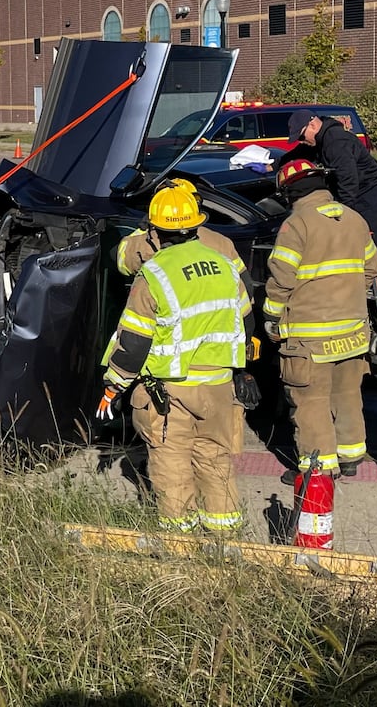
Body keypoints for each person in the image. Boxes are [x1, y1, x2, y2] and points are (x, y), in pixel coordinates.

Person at [96, 184, 257, 532]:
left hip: (170, 391)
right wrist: (243, 371)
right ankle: (224, 533)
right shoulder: (224, 264)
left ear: (155, 229)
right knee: (214, 457)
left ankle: (180, 539)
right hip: (218, 386)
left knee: (171, 461)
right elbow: (246, 321)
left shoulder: (154, 273)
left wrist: (114, 385)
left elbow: (135, 343)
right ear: (196, 223)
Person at [263, 158, 377, 483]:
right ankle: (350, 456)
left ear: (289, 193)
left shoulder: (296, 225)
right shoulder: (355, 219)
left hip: (310, 338)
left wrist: (271, 319)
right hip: (353, 332)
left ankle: (318, 466)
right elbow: (372, 269)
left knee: (310, 400)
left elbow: (281, 281)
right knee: (347, 394)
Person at [287, 108, 377, 295]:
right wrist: (273, 164)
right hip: (357, 192)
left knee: (372, 245)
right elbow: (299, 152)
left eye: (302, 135)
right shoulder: (319, 139)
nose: (302, 140)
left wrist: (345, 216)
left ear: (313, 124)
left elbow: (348, 182)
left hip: (370, 195)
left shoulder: (335, 142)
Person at [116, 178, 245, 286]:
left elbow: (123, 264)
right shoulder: (221, 242)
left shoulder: (143, 245)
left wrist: (142, 230)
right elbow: (244, 284)